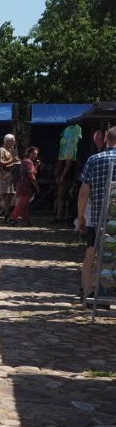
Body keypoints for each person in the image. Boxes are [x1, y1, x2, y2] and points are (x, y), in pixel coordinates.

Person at [77, 127, 116, 303]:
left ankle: (87, 292)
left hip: (97, 216)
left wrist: (81, 215)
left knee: (91, 255)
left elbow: (84, 192)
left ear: (106, 138)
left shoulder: (94, 159)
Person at [8, 146, 40, 226]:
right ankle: (12, 218)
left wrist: (36, 166)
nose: (35, 156)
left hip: (23, 185)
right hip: (25, 186)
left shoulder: (29, 162)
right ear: (29, 154)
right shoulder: (28, 162)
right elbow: (31, 175)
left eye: (36, 154)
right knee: (22, 204)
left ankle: (27, 221)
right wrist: (36, 186)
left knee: (25, 205)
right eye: (33, 154)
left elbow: (33, 172)